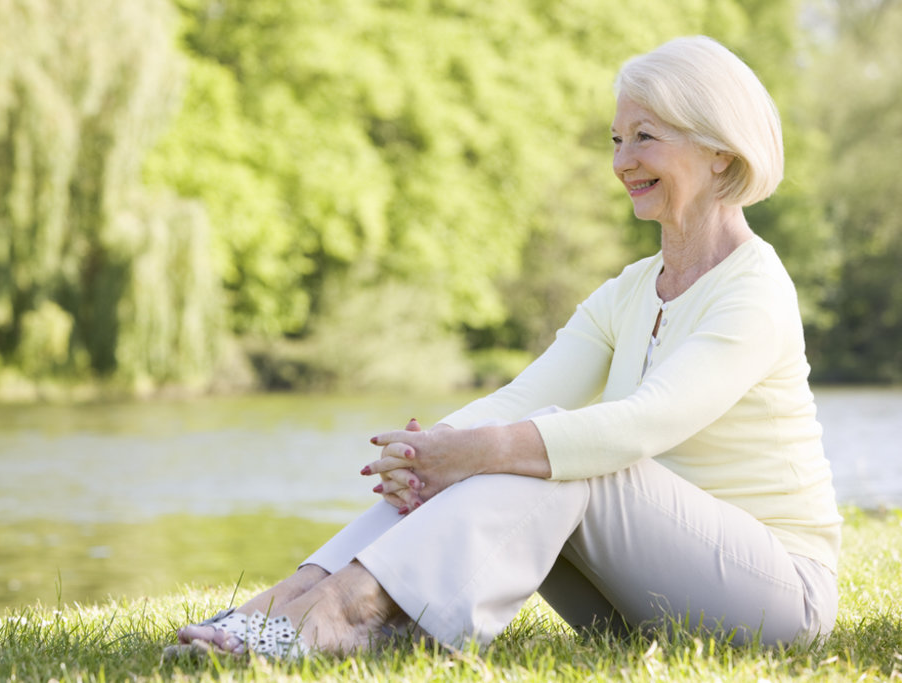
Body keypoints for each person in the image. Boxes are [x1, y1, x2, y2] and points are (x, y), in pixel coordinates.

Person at [167, 35, 841, 659]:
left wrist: (473, 451)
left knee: (549, 450)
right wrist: (429, 452)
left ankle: (346, 616)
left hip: (778, 598)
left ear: (720, 149)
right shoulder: (632, 290)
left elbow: (644, 423)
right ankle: (289, 599)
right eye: (615, 139)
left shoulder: (754, 289)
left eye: (644, 137)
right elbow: (525, 394)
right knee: (512, 441)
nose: (621, 160)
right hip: (647, 592)